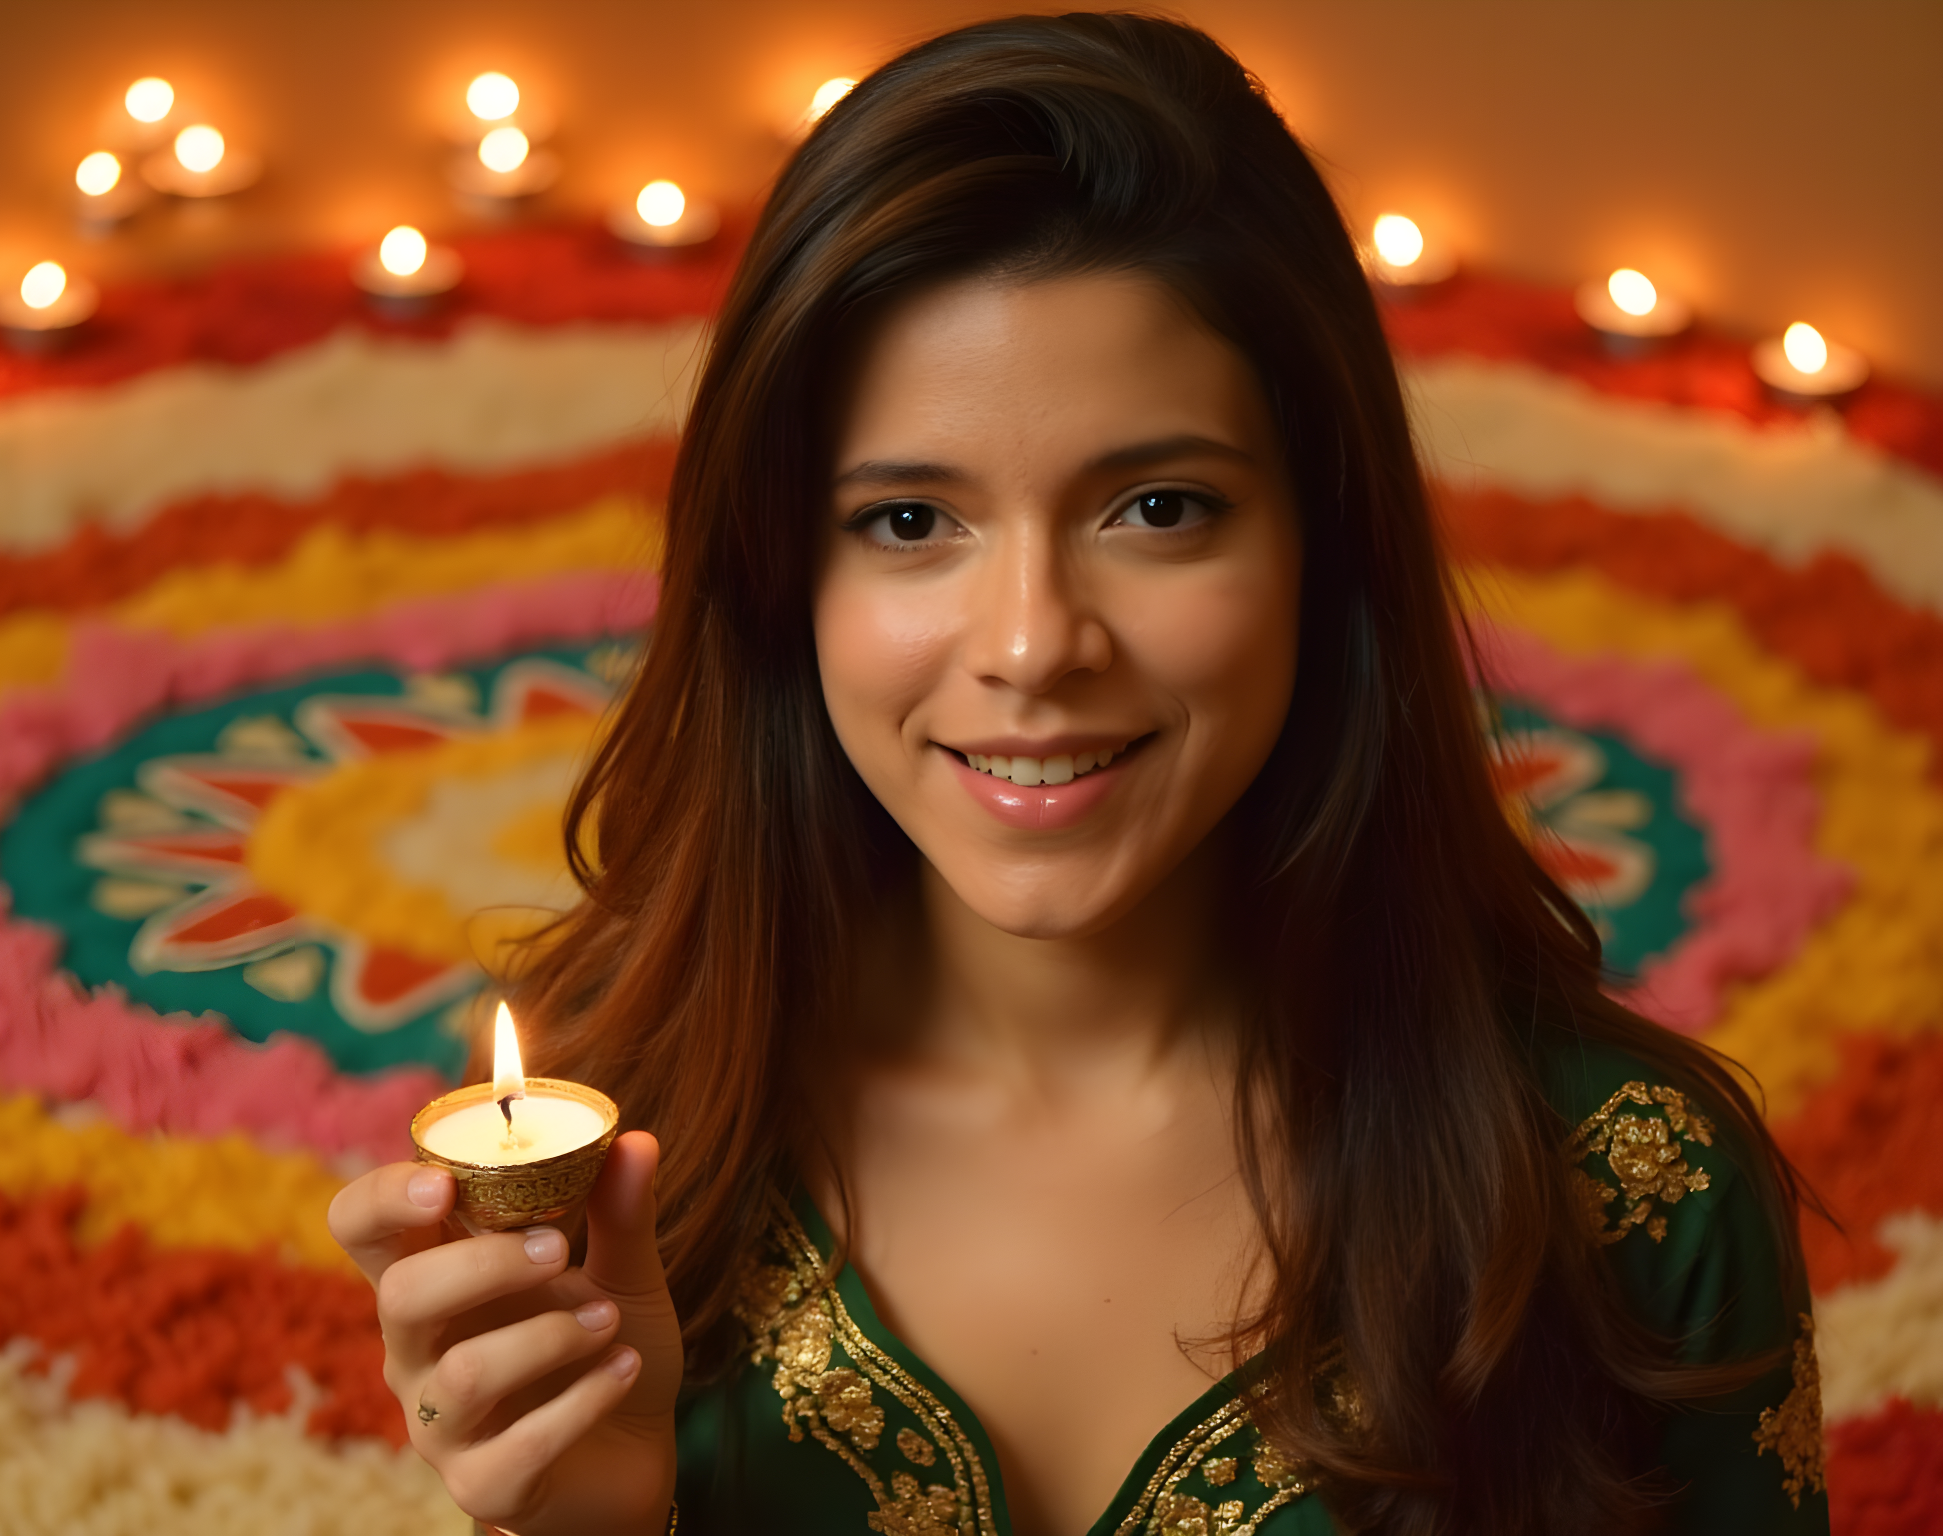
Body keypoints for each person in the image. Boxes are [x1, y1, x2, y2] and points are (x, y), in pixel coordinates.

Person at [328, 14, 1828, 1534]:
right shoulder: (629, 1154)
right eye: (912, 523)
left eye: (1159, 507)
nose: (1035, 645)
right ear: (782, 578)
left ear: (1327, 543)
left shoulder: (1634, 1197)